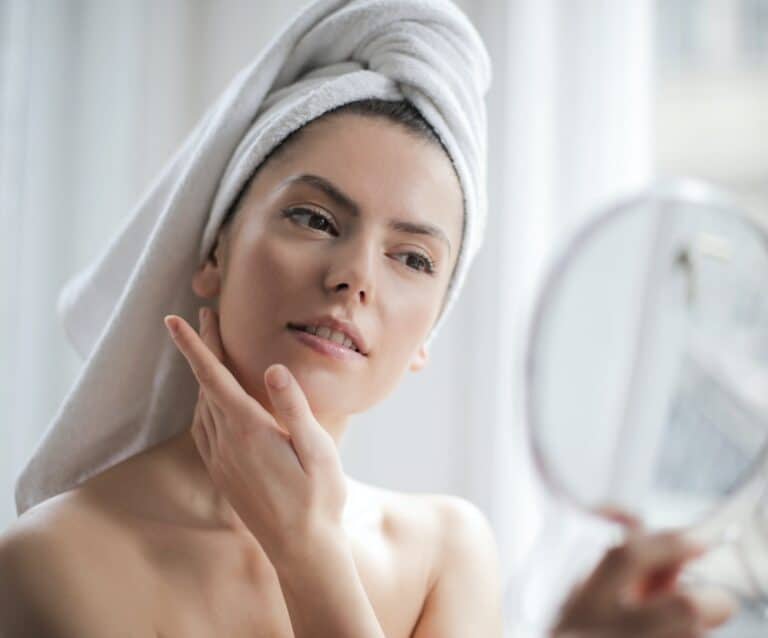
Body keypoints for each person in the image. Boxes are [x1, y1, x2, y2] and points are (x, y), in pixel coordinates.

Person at [0, 1, 736, 636]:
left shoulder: (447, 554)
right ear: (213, 252)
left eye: (413, 259)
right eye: (315, 217)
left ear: (429, 336)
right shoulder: (55, 562)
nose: (354, 275)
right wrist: (307, 553)